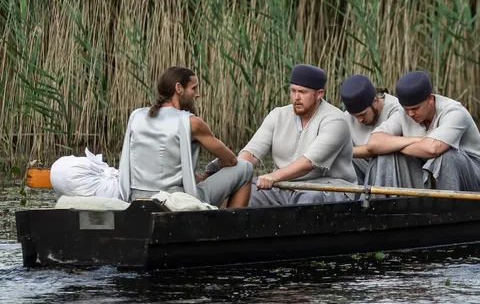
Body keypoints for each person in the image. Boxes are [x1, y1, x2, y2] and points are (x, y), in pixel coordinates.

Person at [117, 66, 252, 208]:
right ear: (179, 88)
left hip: (136, 199)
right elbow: (230, 160)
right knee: (245, 167)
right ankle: (234, 221)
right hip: (176, 202)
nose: (197, 94)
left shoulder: (136, 116)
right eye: (194, 88)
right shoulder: (191, 122)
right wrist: (210, 169)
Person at [239, 64, 356, 206]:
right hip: (283, 185)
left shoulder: (336, 120)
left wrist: (274, 176)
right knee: (246, 190)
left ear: (319, 94)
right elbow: (252, 152)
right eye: (293, 91)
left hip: (327, 187)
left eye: (302, 92)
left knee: (308, 198)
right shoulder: (278, 115)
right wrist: (237, 172)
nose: (296, 97)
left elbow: (309, 163)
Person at [365, 70, 480, 191]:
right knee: (384, 156)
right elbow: (373, 143)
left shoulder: (455, 112)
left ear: (430, 99)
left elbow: (433, 148)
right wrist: (413, 141)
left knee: (446, 157)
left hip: (479, 178)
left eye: (415, 108)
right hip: (431, 173)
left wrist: (393, 145)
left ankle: (447, 207)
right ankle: (388, 206)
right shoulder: (403, 113)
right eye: (406, 109)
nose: (410, 114)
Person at [339, 74, 401, 184]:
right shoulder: (347, 117)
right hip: (362, 171)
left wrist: (345, 151)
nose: (359, 120)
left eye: (363, 114)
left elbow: (377, 147)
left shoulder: (396, 110)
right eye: (355, 116)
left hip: (392, 172)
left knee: (385, 155)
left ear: (375, 101)